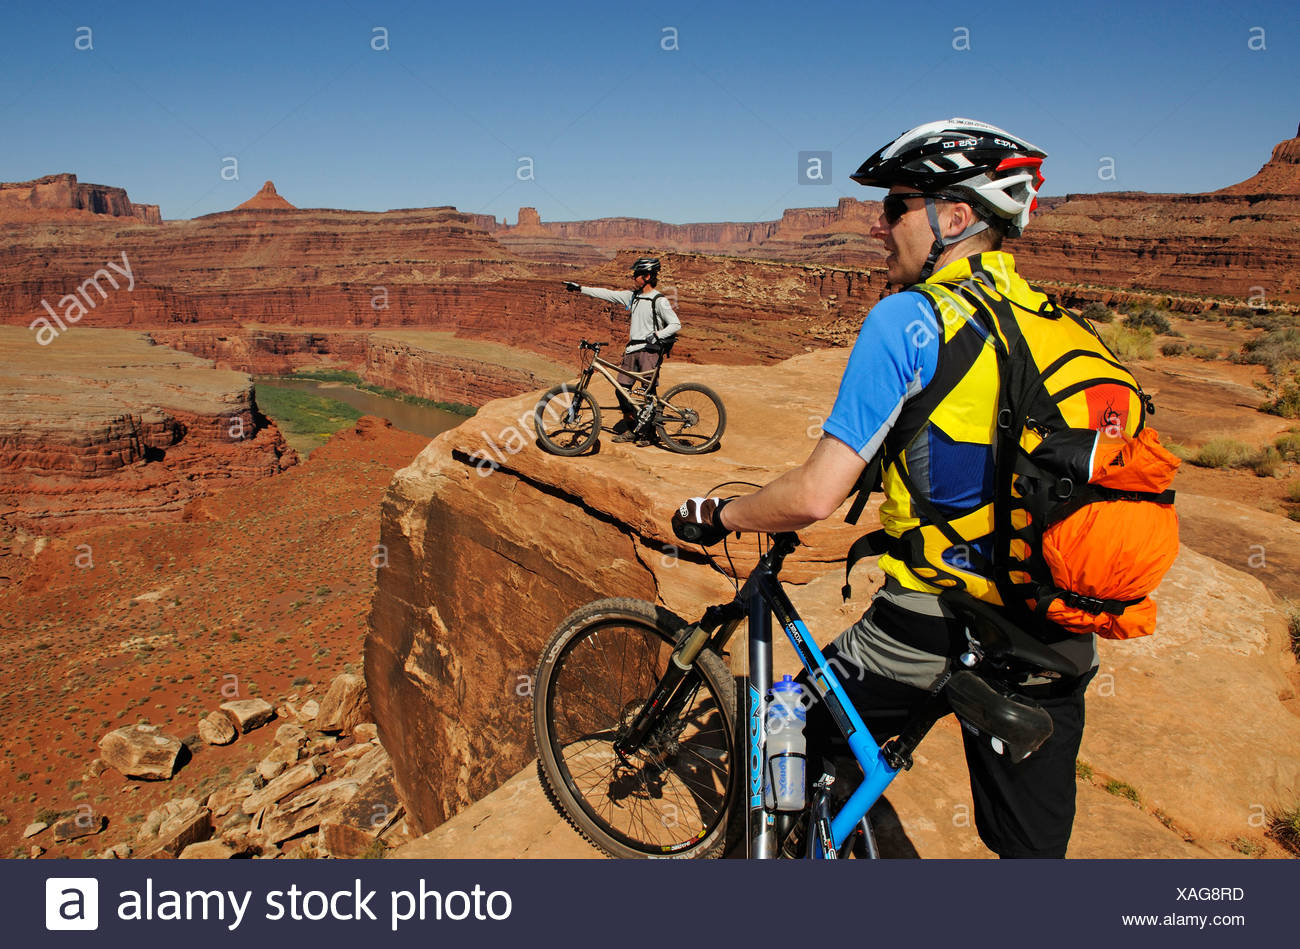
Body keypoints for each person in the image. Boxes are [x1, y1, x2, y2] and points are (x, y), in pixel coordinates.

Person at [672, 118, 1116, 859]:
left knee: (783, 726)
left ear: (956, 217)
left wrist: (723, 512)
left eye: (896, 205)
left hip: (929, 623)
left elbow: (816, 495)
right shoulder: (1066, 331)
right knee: (1032, 855)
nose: (879, 227)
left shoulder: (907, 320)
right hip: (1054, 635)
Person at [564, 257, 681, 445]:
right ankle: (633, 430)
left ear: (647, 276)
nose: (633, 277)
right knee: (622, 391)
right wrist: (580, 289)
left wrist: (658, 335)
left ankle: (649, 434)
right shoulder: (632, 296)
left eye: (637, 274)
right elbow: (607, 294)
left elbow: (676, 324)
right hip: (632, 349)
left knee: (646, 393)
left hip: (649, 350)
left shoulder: (659, 300)